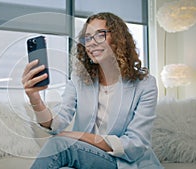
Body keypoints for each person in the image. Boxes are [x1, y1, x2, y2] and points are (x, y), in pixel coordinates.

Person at [22, 12, 163, 169]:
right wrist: (34, 98)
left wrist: (79, 136)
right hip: (86, 156)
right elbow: (57, 123)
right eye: (87, 38)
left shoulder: (145, 85)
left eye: (100, 35)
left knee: (58, 145)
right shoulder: (78, 79)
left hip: (124, 161)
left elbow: (135, 144)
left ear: (118, 40)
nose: (91, 43)